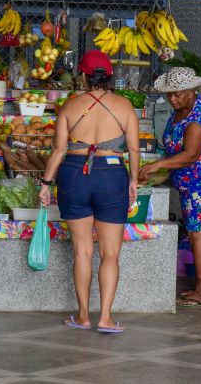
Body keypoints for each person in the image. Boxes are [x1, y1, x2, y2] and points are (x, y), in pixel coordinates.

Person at [38, 50, 140, 334]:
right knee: (110, 254)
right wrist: (133, 180)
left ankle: (83, 315)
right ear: (109, 77)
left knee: (82, 251)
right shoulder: (125, 106)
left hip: (74, 175)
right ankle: (105, 318)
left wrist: (46, 185)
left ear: (82, 76)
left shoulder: (70, 107)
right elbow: (133, 149)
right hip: (112, 176)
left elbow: (58, 150)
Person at [139, 67, 201, 307]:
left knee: (199, 233)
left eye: (177, 94)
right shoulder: (182, 111)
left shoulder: (198, 118)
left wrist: (158, 166)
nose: (172, 99)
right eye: (169, 94)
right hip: (194, 180)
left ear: (193, 90)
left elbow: (191, 155)